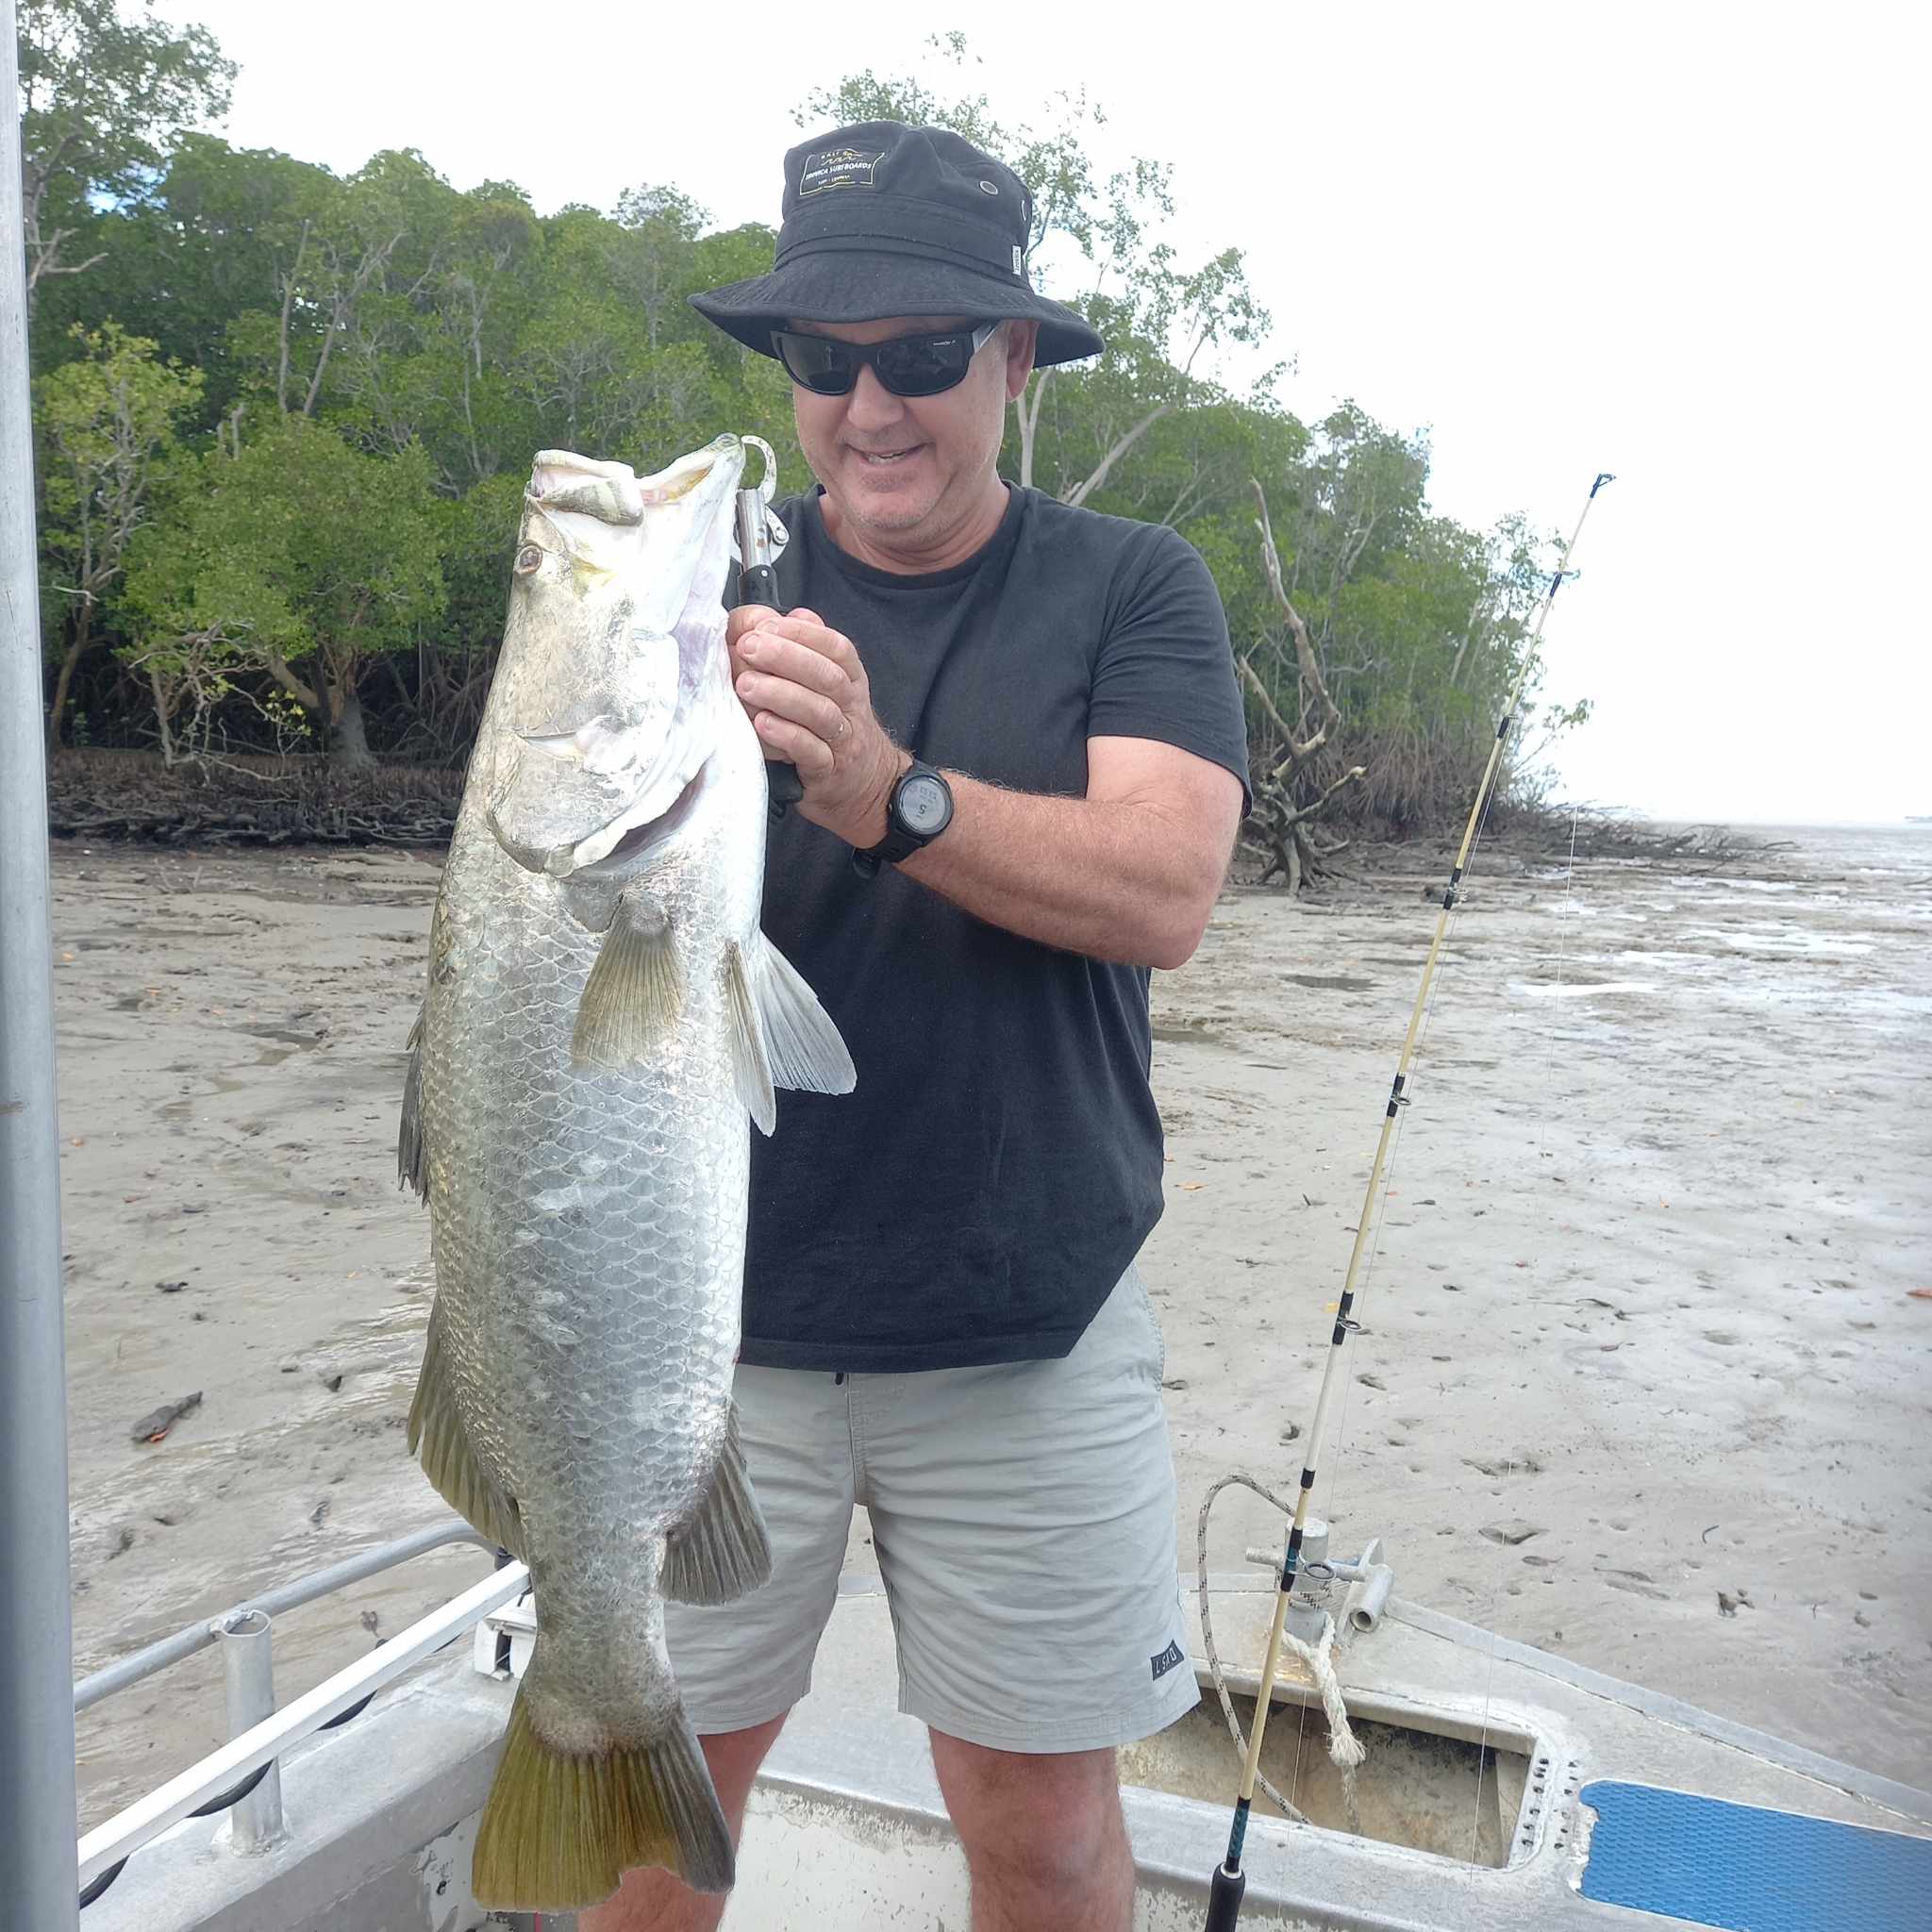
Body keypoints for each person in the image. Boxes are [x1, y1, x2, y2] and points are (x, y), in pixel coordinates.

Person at [584, 121, 1249, 1932]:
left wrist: (888, 790)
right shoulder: (698, 603)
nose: (871, 404)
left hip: (1030, 1323)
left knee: (1044, 1830)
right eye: (826, 356)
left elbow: (1164, 893)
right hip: (702, 1340)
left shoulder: (1133, 588)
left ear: (1014, 360)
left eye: (925, 353)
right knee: (652, 1819)